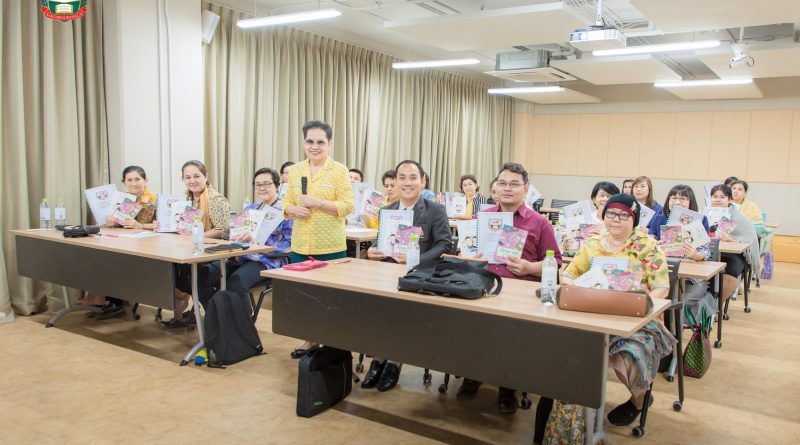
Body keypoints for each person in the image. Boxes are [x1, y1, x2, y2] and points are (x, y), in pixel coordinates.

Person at [559, 194, 674, 429]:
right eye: (611, 213)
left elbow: (662, 287)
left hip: (637, 318)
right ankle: (576, 404)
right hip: (593, 313)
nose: (616, 219)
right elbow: (568, 275)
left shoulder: (648, 246)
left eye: (624, 215)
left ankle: (639, 398)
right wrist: (579, 289)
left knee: (627, 352)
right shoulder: (593, 244)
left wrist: (640, 306)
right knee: (564, 342)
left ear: (634, 220)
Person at [457, 163, 563, 414]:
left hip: (519, 293)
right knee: (467, 324)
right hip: (482, 285)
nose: (507, 188)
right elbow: (465, 253)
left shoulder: (540, 223)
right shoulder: (481, 218)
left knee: (509, 333)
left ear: (526, 189)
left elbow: (556, 263)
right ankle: (472, 375)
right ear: (495, 188)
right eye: (502, 183)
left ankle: (508, 385)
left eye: (514, 184)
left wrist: (529, 267)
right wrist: (469, 258)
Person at [363, 160, 452, 392]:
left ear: (422, 181)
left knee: (401, 313)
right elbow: (379, 241)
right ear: (395, 181)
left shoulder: (435, 210)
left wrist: (416, 259)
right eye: (402, 177)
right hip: (386, 273)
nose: (407, 183)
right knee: (376, 311)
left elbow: (445, 244)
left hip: (419, 276)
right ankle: (379, 357)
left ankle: (394, 361)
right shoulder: (387, 210)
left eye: (413, 177)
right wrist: (371, 250)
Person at [282, 120, 354, 358]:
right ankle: (309, 339)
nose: (315, 146)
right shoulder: (296, 171)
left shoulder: (339, 170)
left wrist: (319, 203)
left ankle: (333, 343)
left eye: (320, 142)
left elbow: (348, 205)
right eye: (310, 141)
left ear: (330, 144)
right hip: (301, 244)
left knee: (331, 298)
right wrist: (293, 210)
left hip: (330, 245)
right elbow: (286, 202)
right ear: (304, 143)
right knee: (305, 297)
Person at [198, 168, 293, 308]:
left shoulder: (287, 211)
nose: (262, 188)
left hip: (266, 260)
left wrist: (264, 247)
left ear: (277, 186)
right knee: (201, 277)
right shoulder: (251, 209)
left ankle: (244, 320)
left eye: (267, 184)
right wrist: (235, 236)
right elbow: (234, 234)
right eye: (258, 185)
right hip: (240, 256)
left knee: (236, 284)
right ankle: (218, 314)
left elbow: (290, 244)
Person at [79, 166, 159, 318]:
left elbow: (160, 225)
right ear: (124, 182)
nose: (133, 183)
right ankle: (107, 300)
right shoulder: (122, 199)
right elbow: (117, 223)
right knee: (100, 256)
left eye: (137, 179)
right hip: (124, 241)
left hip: (147, 245)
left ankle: (113, 302)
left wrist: (140, 225)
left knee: (115, 262)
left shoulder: (154, 200)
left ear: (146, 180)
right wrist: (111, 222)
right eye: (129, 180)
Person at [159, 160, 232, 326]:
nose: (192, 180)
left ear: (206, 176)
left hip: (214, 252)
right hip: (189, 249)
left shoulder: (216, 200)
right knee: (168, 270)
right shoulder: (184, 200)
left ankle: (216, 318)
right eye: (188, 177)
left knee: (196, 277)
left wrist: (197, 236)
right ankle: (184, 311)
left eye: (197, 176)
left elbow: (223, 230)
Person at [649, 185, 715, 322]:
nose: (677, 202)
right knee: (656, 303)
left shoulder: (700, 220)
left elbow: (706, 251)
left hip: (692, 280)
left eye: (683, 198)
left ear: (691, 202)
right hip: (664, 276)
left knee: (680, 305)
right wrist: (655, 246)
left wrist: (696, 255)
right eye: (673, 198)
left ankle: (674, 333)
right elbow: (650, 242)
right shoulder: (659, 218)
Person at [709, 184, 761, 301]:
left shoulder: (738, 217)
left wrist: (733, 240)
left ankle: (717, 305)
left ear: (729, 199)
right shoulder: (706, 213)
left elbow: (749, 240)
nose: (718, 199)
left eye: (722, 197)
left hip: (734, 254)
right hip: (710, 251)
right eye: (715, 196)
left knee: (729, 275)